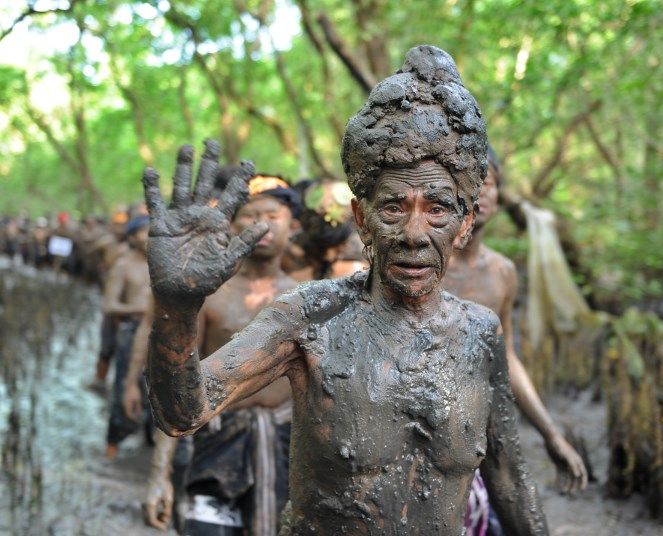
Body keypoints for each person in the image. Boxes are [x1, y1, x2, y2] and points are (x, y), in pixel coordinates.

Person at [143, 46, 548, 535]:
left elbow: (509, 481)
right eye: (394, 208)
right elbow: (182, 411)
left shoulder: (481, 334)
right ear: (362, 219)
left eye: (437, 210)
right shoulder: (311, 318)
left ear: (463, 225)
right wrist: (177, 307)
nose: (415, 233)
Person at [126, 170, 301, 535]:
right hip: (215, 446)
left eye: (272, 216)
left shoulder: (310, 297)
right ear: (233, 224)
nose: (262, 225)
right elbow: (177, 388)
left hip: (289, 451)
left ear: (293, 225)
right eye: (251, 216)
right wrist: (159, 475)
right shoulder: (206, 293)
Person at [443, 148, 587, 534]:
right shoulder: (423, 266)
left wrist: (551, 434)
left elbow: (505, 358)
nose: (481, 194)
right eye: (471, 185)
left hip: (483, 428)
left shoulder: (502, 272)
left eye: (488, 184)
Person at [102, 214, 152, 459]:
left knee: (159, 390)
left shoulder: (163, 265)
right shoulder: (123, 266)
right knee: (125, 384)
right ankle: (112, 447)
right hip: (132, 331)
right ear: (132, 237)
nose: (150, 235)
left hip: (159, 334)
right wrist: (141, 310)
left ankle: (151, 442)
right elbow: (109, 305)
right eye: (144, 231)